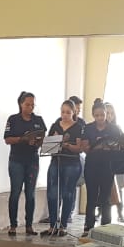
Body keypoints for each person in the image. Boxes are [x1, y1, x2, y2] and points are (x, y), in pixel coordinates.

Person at [3, 91, 48, 236]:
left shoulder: (38, 120)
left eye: (32, 105)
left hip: (32, 160)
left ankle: (29, 225)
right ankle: (13, 225)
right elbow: (7, 139)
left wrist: (37, 141)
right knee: (15, 192)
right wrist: (22, 139)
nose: (30, 107)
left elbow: (43, 139)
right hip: (16, 160)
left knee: (31, 193)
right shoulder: (13, 119)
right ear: (21, 104)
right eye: (27, 104)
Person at [80, 103, 122, 235]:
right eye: (97, 115)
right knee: (91, 197)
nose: (100, 118)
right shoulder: (88, 128)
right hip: (91, 166)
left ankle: (105, 227)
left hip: (108, 166)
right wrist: (96, 146)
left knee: (106, 198)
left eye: (102, 115)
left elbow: (119, 146)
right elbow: (84, 147)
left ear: (106, 114)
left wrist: (109, 147)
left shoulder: (114, 128)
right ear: (93, 115)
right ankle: (88, 226)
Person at [44, 99, 84, 236]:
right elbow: (48, 146)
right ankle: (52, 224)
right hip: (56, 161)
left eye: (68, 112)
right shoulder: (55, 125)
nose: (65, 115)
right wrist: (54, 141)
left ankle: (63, 225)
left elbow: (79, 148)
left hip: (71, 163)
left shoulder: (78, 127)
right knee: (52, 193)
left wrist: (67, 145)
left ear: (73, 112)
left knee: (68, 193)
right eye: (63, 112)